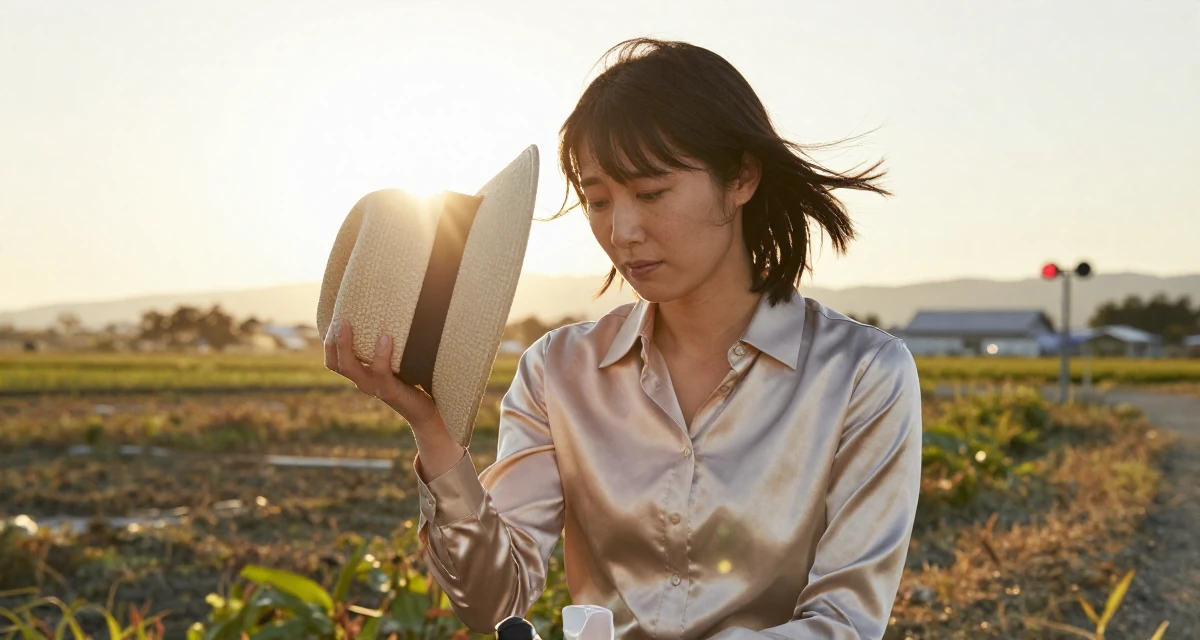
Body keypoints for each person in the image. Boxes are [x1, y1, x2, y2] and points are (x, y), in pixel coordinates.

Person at [324, 38, 923, 640]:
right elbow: (493, 604)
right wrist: (431, 427)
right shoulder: (557, 371)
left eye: (651, 193)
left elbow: (843, 624)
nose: (622, 231)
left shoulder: (863, 374)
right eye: (598, 200)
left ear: (740, 177)